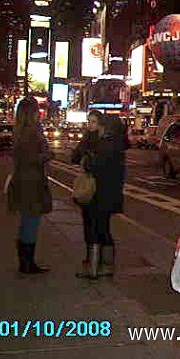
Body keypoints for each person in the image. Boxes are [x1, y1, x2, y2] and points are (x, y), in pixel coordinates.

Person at [72, 112, 127, 279]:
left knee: (95, 229)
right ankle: (104, 265)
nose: (96, 128)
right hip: (107, 193)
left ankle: (95, 267)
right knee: (102, 229)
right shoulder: (115, 144)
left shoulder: (108, 145)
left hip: (100, 193)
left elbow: (93, 166)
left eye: (99, 125)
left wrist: (88, 157)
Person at [9, 97, 53, 274]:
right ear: (31, 112)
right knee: (31, 220)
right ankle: (27, 262)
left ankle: (25, 260)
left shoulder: (20, 130)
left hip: (23, 180)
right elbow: (32, 158)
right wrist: (48, 155)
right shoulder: (31, 132)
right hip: (31, 181)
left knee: (27, 220)